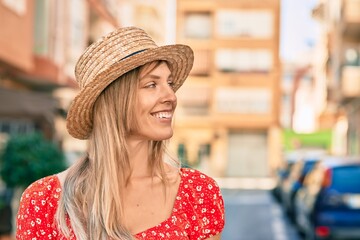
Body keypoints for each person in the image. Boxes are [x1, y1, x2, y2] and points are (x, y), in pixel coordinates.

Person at [16, 26, 225, 240]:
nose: (171, 96)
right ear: (115, 101)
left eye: (169, 83)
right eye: (151, 84)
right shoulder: (45, 201)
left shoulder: (197, 192)